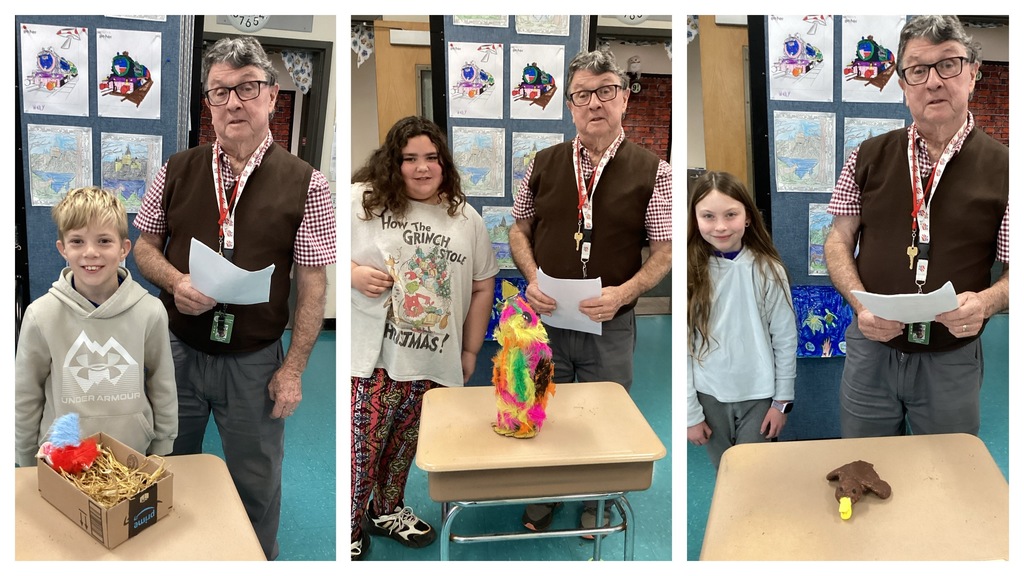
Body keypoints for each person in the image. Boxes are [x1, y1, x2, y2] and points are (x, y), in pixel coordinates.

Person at [132, 36, 335, 561]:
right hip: (177, 352)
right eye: (220, 92)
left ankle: (254, 559)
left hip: (253, 361)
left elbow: (313, 287)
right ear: (208, 103)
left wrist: (292, 370)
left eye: (248, 88)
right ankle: (167, 556)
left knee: (255, 478)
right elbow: (144, 247)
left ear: (272, 96)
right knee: (167, 464)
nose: (234, 103)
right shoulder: (176, 169)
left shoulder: (308, 184)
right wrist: (176, 282)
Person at [509, 49, 672, 534]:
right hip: (546, 316)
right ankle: (543, 495)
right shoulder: (541, 163)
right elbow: (518, 230)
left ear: (623, 98)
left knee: (603, 415)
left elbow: (664, 252)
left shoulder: (653, 171)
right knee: (538, 407)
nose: (594, 103)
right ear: (570, 104)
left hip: (610, 323)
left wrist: (624, 293)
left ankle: (594, 501)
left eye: (605, 91)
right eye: (582, 94)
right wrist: (532, 277)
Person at [824, 15, 1008, 438]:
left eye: (948, 64)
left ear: (973, 74)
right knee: (866, 465)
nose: (933, 82)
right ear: (904, 84)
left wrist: (987, 302)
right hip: (872, 349)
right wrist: (860, 306)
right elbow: (837, 239)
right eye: (917, 70)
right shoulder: (866, 156)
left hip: (951, 356)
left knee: (945, 474)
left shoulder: (1006, 169)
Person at [350, 116, 498, 560]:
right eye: (408, 158)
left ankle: (387, 509)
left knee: (404, 448)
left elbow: (482, 283)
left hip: (435, 361)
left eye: (431, 157)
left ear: (444, 163)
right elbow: (320, 250)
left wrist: (470, 350)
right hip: (375, 359)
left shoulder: (465, 216)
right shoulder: (364, 201)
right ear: (392, 163)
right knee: (363, 450)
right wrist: (354, 274)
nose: (421, 168)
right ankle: (351, 526)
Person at [15, 186, 177, 466]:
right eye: (77, 242)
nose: (91, 253)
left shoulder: (150, 311)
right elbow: (26, 393)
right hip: (63, 459)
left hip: (133, 454)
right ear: (62, 249)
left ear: (124, 248)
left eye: (104, 241)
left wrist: (163, 443)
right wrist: (24, 457)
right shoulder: (41, 315)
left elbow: (162, 381)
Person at [685, 171, 796, 469]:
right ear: (695, 219)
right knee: (725, 475)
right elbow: (682, 349)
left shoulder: (768, 269)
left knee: (753, 474)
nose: (720, 226)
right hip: (709, 395)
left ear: (747, 217)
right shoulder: (689, 272)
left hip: (760, 396)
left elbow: (785, 338)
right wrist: (690, 414)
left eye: (731, 214)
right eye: (708, 216)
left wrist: (781, 402)